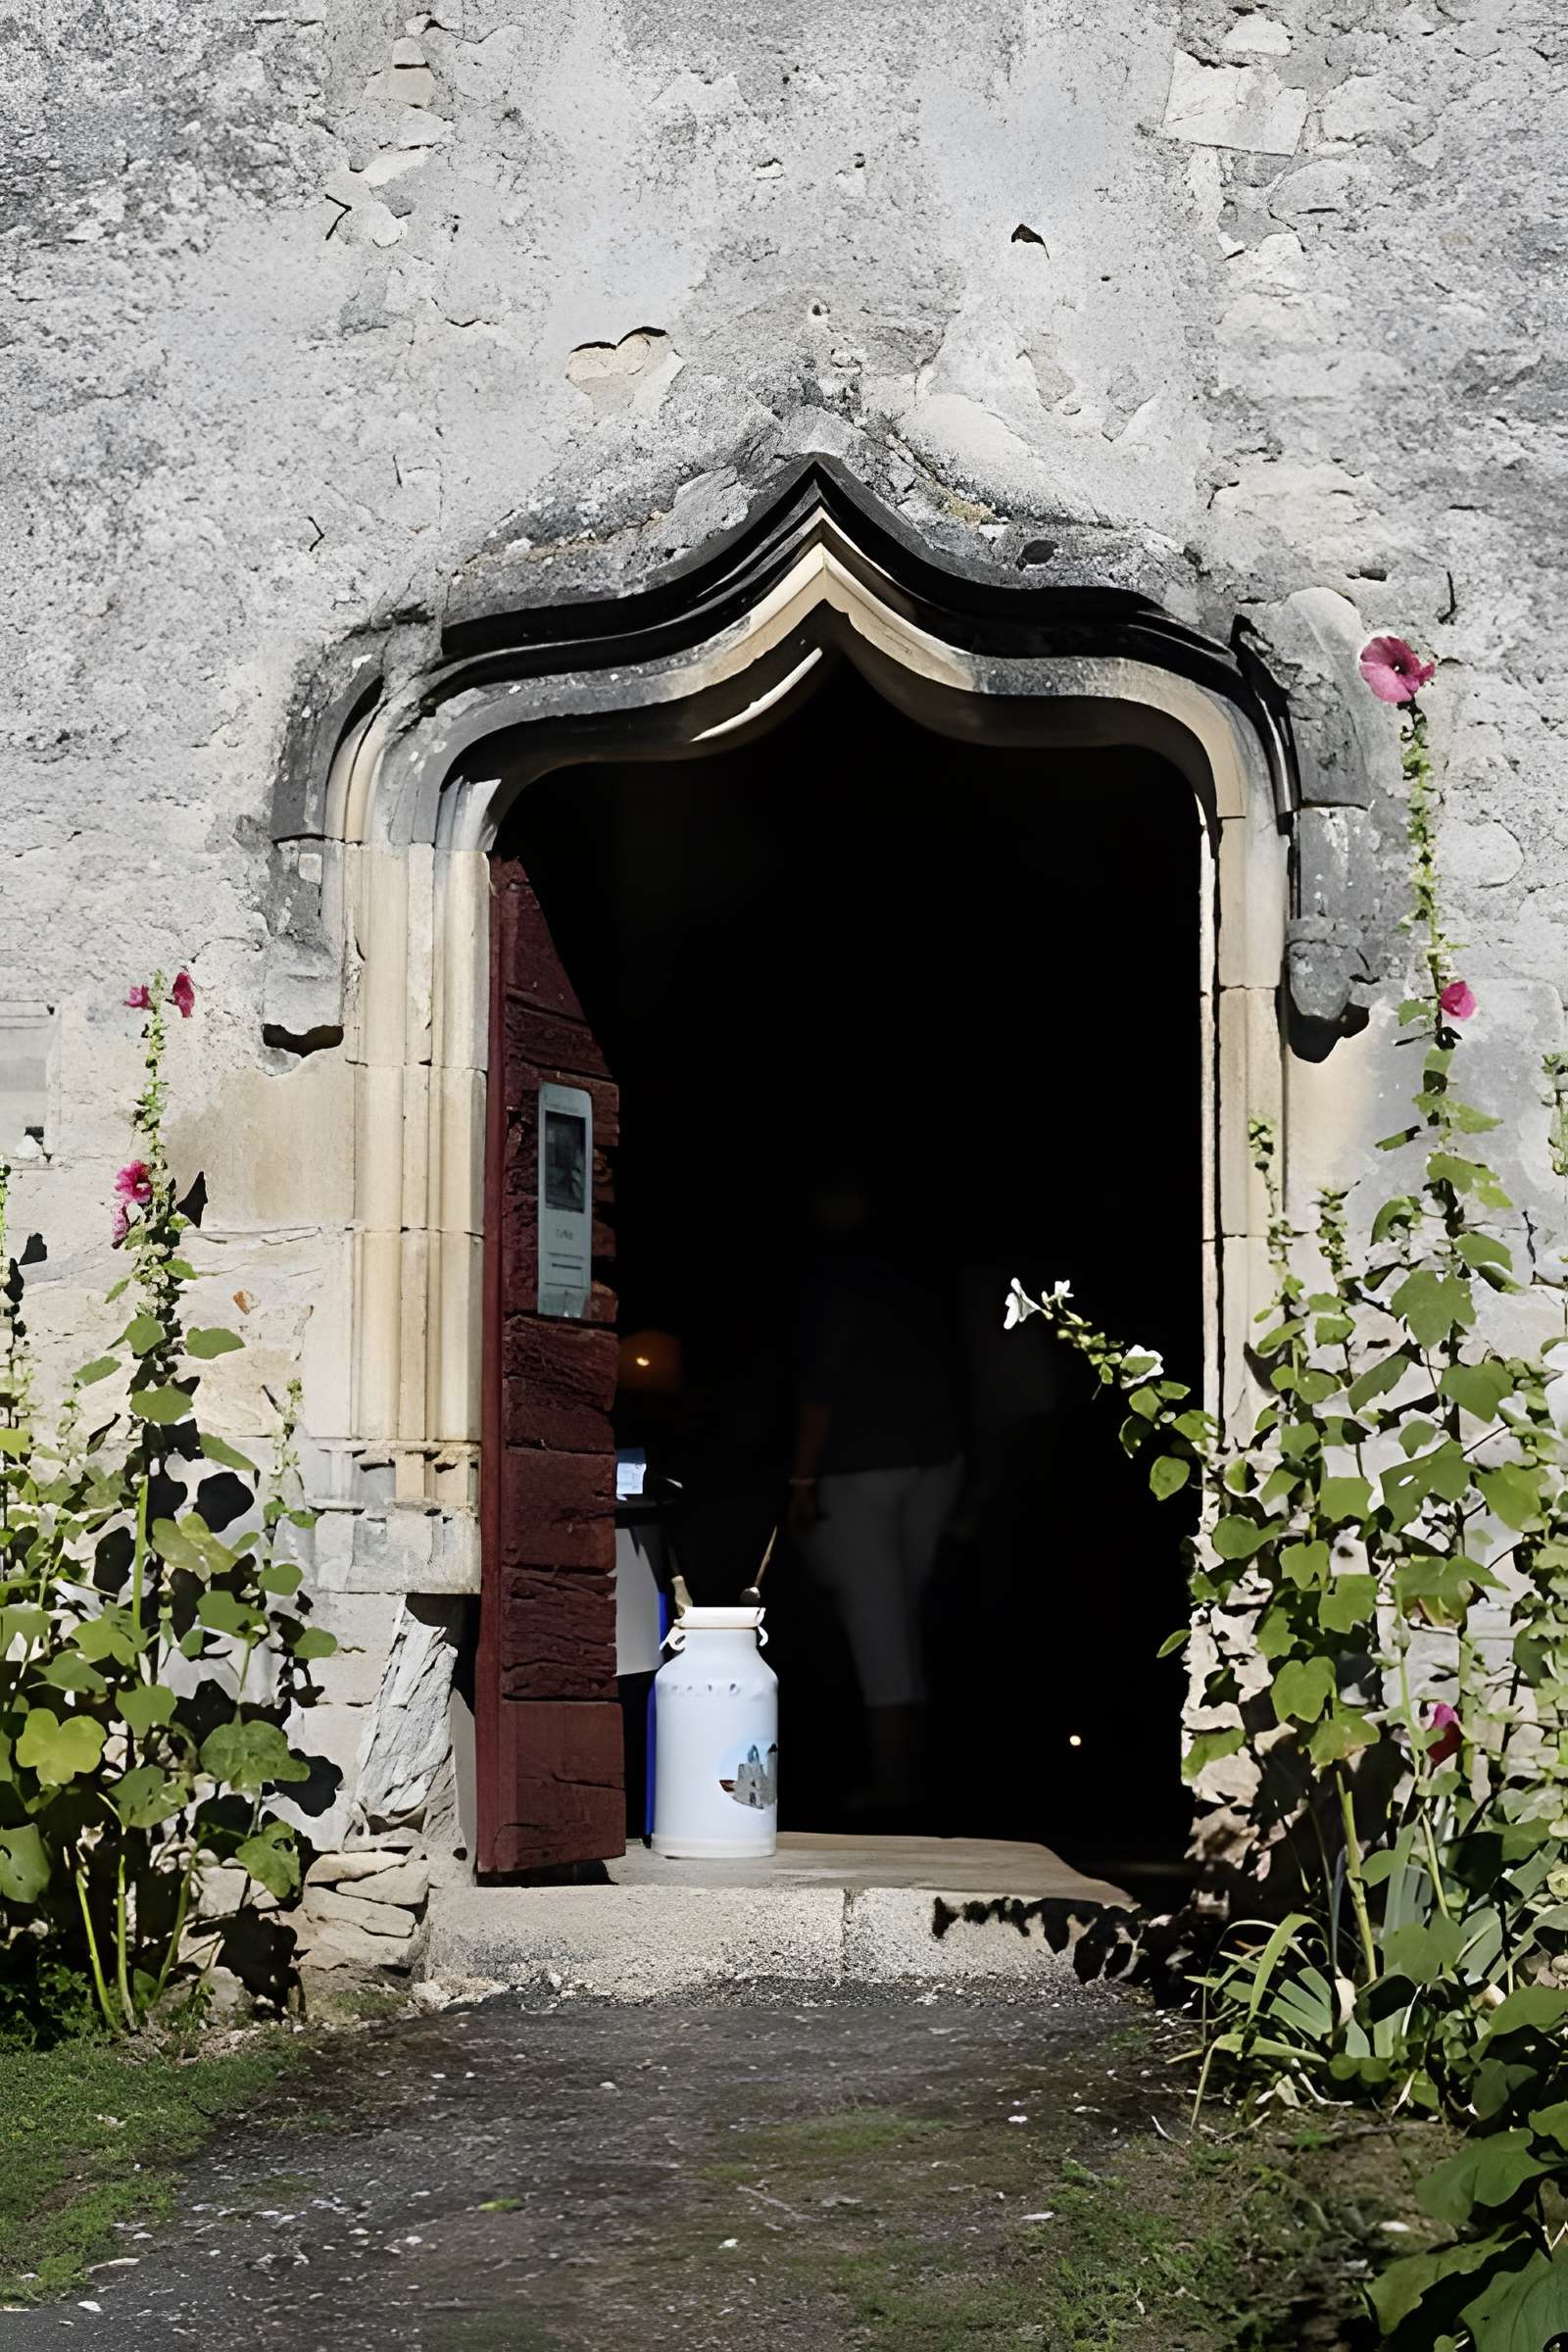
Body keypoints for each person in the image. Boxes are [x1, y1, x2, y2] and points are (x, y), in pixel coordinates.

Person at [787, 1172, 963, 1814]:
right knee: (896, 1617)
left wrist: (801, 1480)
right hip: (934, 1459)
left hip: (864, 1466)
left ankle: (897, 1790)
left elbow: (822, 1382)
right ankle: (905, 1778)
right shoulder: (914, 1269)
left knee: (878, 1621)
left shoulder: (833, 1275)